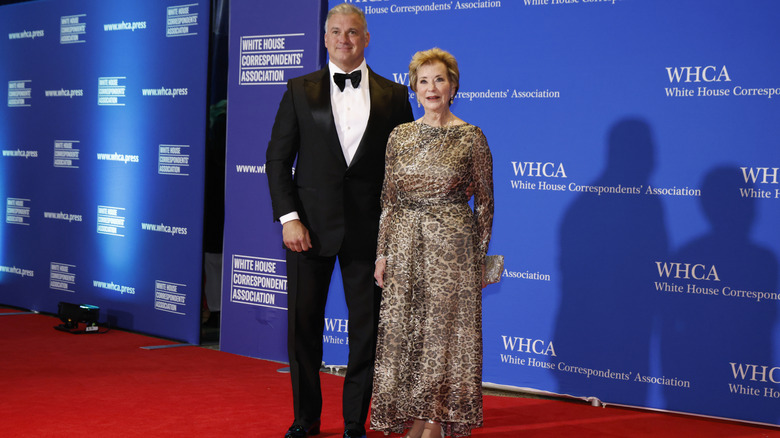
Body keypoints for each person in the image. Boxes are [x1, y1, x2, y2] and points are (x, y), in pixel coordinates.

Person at [265, 3, 414, 438]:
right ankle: (306, 420)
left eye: (353, 32)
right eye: (336, 32)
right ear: (325, 38)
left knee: (366, 334)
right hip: (306, 232)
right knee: (303, 329)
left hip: (370, 236)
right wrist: (289, 219)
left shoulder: (395, 95)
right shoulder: (298, 89)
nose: (344, 39)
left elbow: (401, 172)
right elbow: (277, 161)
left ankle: (355, 424)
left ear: (366, 39)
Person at [371, 48, 494, 438]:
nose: (431, 88)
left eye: (439, 79)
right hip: (406, 244)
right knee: (407, 332)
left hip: (452, 248)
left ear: (453, 86)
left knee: (444, 336)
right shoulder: (399, 136)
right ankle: (419, 417)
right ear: (414, 88)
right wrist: (382, 252)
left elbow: (487, 204)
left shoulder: (471, 137)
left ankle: (434, 420)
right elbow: (388, 199)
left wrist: (476, 259)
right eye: (423, 81)